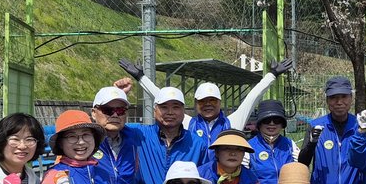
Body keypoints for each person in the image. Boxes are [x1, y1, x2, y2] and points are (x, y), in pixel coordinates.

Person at [118, 57, 292, 146]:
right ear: (196, 103)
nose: (208, 105)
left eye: (212, 101)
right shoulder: (188, 123)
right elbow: (162, 97)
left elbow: (253, 97)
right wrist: (141, 77)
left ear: (220, 102)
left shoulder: (232, 123)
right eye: (203, 101)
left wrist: (272, 75)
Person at [113, 82, 207, 184]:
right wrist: (118, 95)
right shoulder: (139, 134)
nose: (170, 112)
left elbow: (203, 181)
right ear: (154, 110)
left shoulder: (197, 144)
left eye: (176, 107)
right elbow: (111, 124)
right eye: (164, 107)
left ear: (183, 111)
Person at [298, 76, 366, 184]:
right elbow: (302, 163)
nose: (339, 102)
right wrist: (311, 144)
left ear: (351, 98)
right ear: (327, 100)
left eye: (344, 97)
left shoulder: (360, 126)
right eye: (333, 97)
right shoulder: (316, 126)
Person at [90, 86, 139, 184]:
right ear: (94, 113)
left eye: (120, 110)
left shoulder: (133, 141)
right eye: (107, 110)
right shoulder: (83, 144)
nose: (115, 115)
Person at [247, 99, 299, 184]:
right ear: (259, 123)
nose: (272, 123)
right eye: (266, 120)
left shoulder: (290, 145)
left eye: (276, 120)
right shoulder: (248, 147)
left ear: (282, 124)